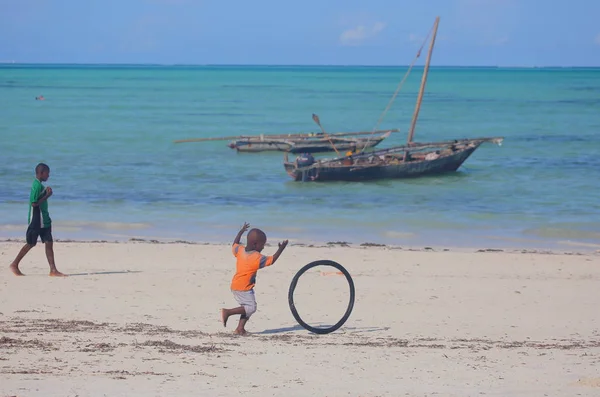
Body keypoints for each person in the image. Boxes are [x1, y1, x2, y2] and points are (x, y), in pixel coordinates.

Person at [221, 223, 288, 335]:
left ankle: (240, 329)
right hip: (244, 288)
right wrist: (281, 249)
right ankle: (227, 312)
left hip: (236, 285)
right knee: (251, 307)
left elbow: (235, 243)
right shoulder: (256, 258)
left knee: (247, 307)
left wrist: (241, 231)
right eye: (262, 245)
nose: (263, 247)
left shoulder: (240, 250)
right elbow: (272, 260)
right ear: (255, 244)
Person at [9, 163, 67, 277]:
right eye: (47, 173)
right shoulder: (36, 185)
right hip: (36, 220)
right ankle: (14, 264)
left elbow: (39, 198)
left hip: (44, 219)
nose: (49, 176)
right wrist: (47, 196)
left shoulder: (40, 186)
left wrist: (46, 192)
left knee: (49, 242)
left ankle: (53, 270)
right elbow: (34, 203)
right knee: (31, 243)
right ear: (41, 173)